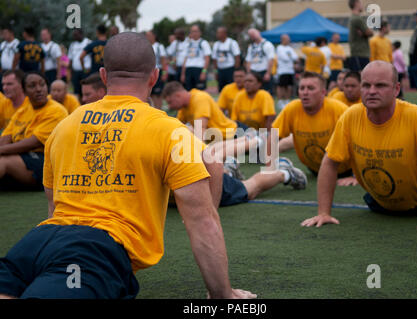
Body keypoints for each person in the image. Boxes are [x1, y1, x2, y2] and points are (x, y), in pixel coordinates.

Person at [0, 32, 256, 299]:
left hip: (36, 242)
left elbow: (54, 207)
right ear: (154, 77)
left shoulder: (65, 125)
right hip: (93, 251)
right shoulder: (171, 131)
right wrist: (223, 295)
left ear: (103, 76)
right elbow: (203, 221)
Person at [301, 61, 417, 234]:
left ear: (396, 89)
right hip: (379, 204)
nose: (372, 91)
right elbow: (329, 161)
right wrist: (323, 213)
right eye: (366, 85)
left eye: (380, 85)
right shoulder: (350, 116)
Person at [271, 71, 353, 183]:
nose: (305, 92)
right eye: (302, 88)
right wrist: (268, 169)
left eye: (310, 88)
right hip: (315, 171)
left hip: (346, 171)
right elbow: (273, 136)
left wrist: (355, 176)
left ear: (323, 92)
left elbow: (361, 141)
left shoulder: (339, 110)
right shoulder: (292, 108)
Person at [0, 72, 67, 190]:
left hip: (44, 161)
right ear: (24, 91)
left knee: (3, 161)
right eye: (32, 86)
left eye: (42, 85)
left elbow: (33, 143)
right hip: (21, 157)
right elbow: (6, 137)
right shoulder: (23, 110)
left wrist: (2, 150)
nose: (39, 89)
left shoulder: (56, 111)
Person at [162, 81, 239, 142]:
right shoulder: (183, 108)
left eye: (170, 102)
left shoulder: (200, 98)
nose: (169, 106)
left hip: (233, 134)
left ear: (178, 96)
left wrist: (198, 154)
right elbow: (176, 128)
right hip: (219, 139)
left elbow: (200, 129)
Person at [245, 28, 275, 94]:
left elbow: (271, 59)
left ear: (258, 32)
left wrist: (268, 73)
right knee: (254, 92)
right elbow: (248, 61)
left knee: (266, 92)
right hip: (254, 72)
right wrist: (248, 73)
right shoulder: (251, 47)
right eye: (251, 35)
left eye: (254, 33)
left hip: (264, 71)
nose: (253, 36)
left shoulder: (267, 44)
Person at [181, 25, 211, 91]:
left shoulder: (203, 43)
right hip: (188, 70)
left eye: (196, 31)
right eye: (192, 31)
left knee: (200, 92)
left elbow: (207, 58)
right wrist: (183, 74)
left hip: (199, 69)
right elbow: (185, 59)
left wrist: (204, 72)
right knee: (188, 91)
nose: (194, 33)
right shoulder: (187, 44)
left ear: (200, 32)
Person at [212, 27, 241, 92]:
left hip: (230, 69)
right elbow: (214, 59)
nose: (217, 34)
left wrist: (236, 71)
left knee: (232, 89)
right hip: (220, 70)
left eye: (219, 33)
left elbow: (237, 57)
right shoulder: (216, 44)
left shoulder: (232, 43)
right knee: (221, 89)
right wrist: (216, 72)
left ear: (224, 33)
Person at [347, 0, 373, 71]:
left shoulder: (353, 18)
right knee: (361, 77)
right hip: (360, 54)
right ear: (356, 3)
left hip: (358, 54)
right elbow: (370, 33)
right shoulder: (357, 18)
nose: (362, 5)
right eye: (361, 3)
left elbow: (367, 32)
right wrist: (366, 32)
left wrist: (364, 32)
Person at [275, 34, 299, 110]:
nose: (288, 40)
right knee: (281, 86)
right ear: (282, 40)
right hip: (282, 70)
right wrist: (291, 58)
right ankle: (280, 101)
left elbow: (296, 57)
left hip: (290, 71)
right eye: (286, 39)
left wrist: (291, 58)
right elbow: (284, 58)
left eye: (288, 39)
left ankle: (287, 101)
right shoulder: (279, 48)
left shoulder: (290, 48)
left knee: (288, 86)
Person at [146, 30, 168, 109]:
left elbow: (163, 60)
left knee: (158, 94)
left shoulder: (159, 46)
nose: (147, 37)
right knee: (149, 93)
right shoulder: (146, 46)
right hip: (148, 72)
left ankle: (158, 111)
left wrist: (164, 73)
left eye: (149, 35)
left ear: (154, 36)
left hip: (157, 71)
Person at [68, 29, 91, 99]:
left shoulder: (88, 42)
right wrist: (70, 71)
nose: (74, 37)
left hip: (85, 71)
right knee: (76, 91)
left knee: (86, 90)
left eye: (76, 35)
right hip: (76, 72)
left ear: (81, 34)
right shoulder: (72, 45)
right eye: (74, 35)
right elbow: (71, 59)